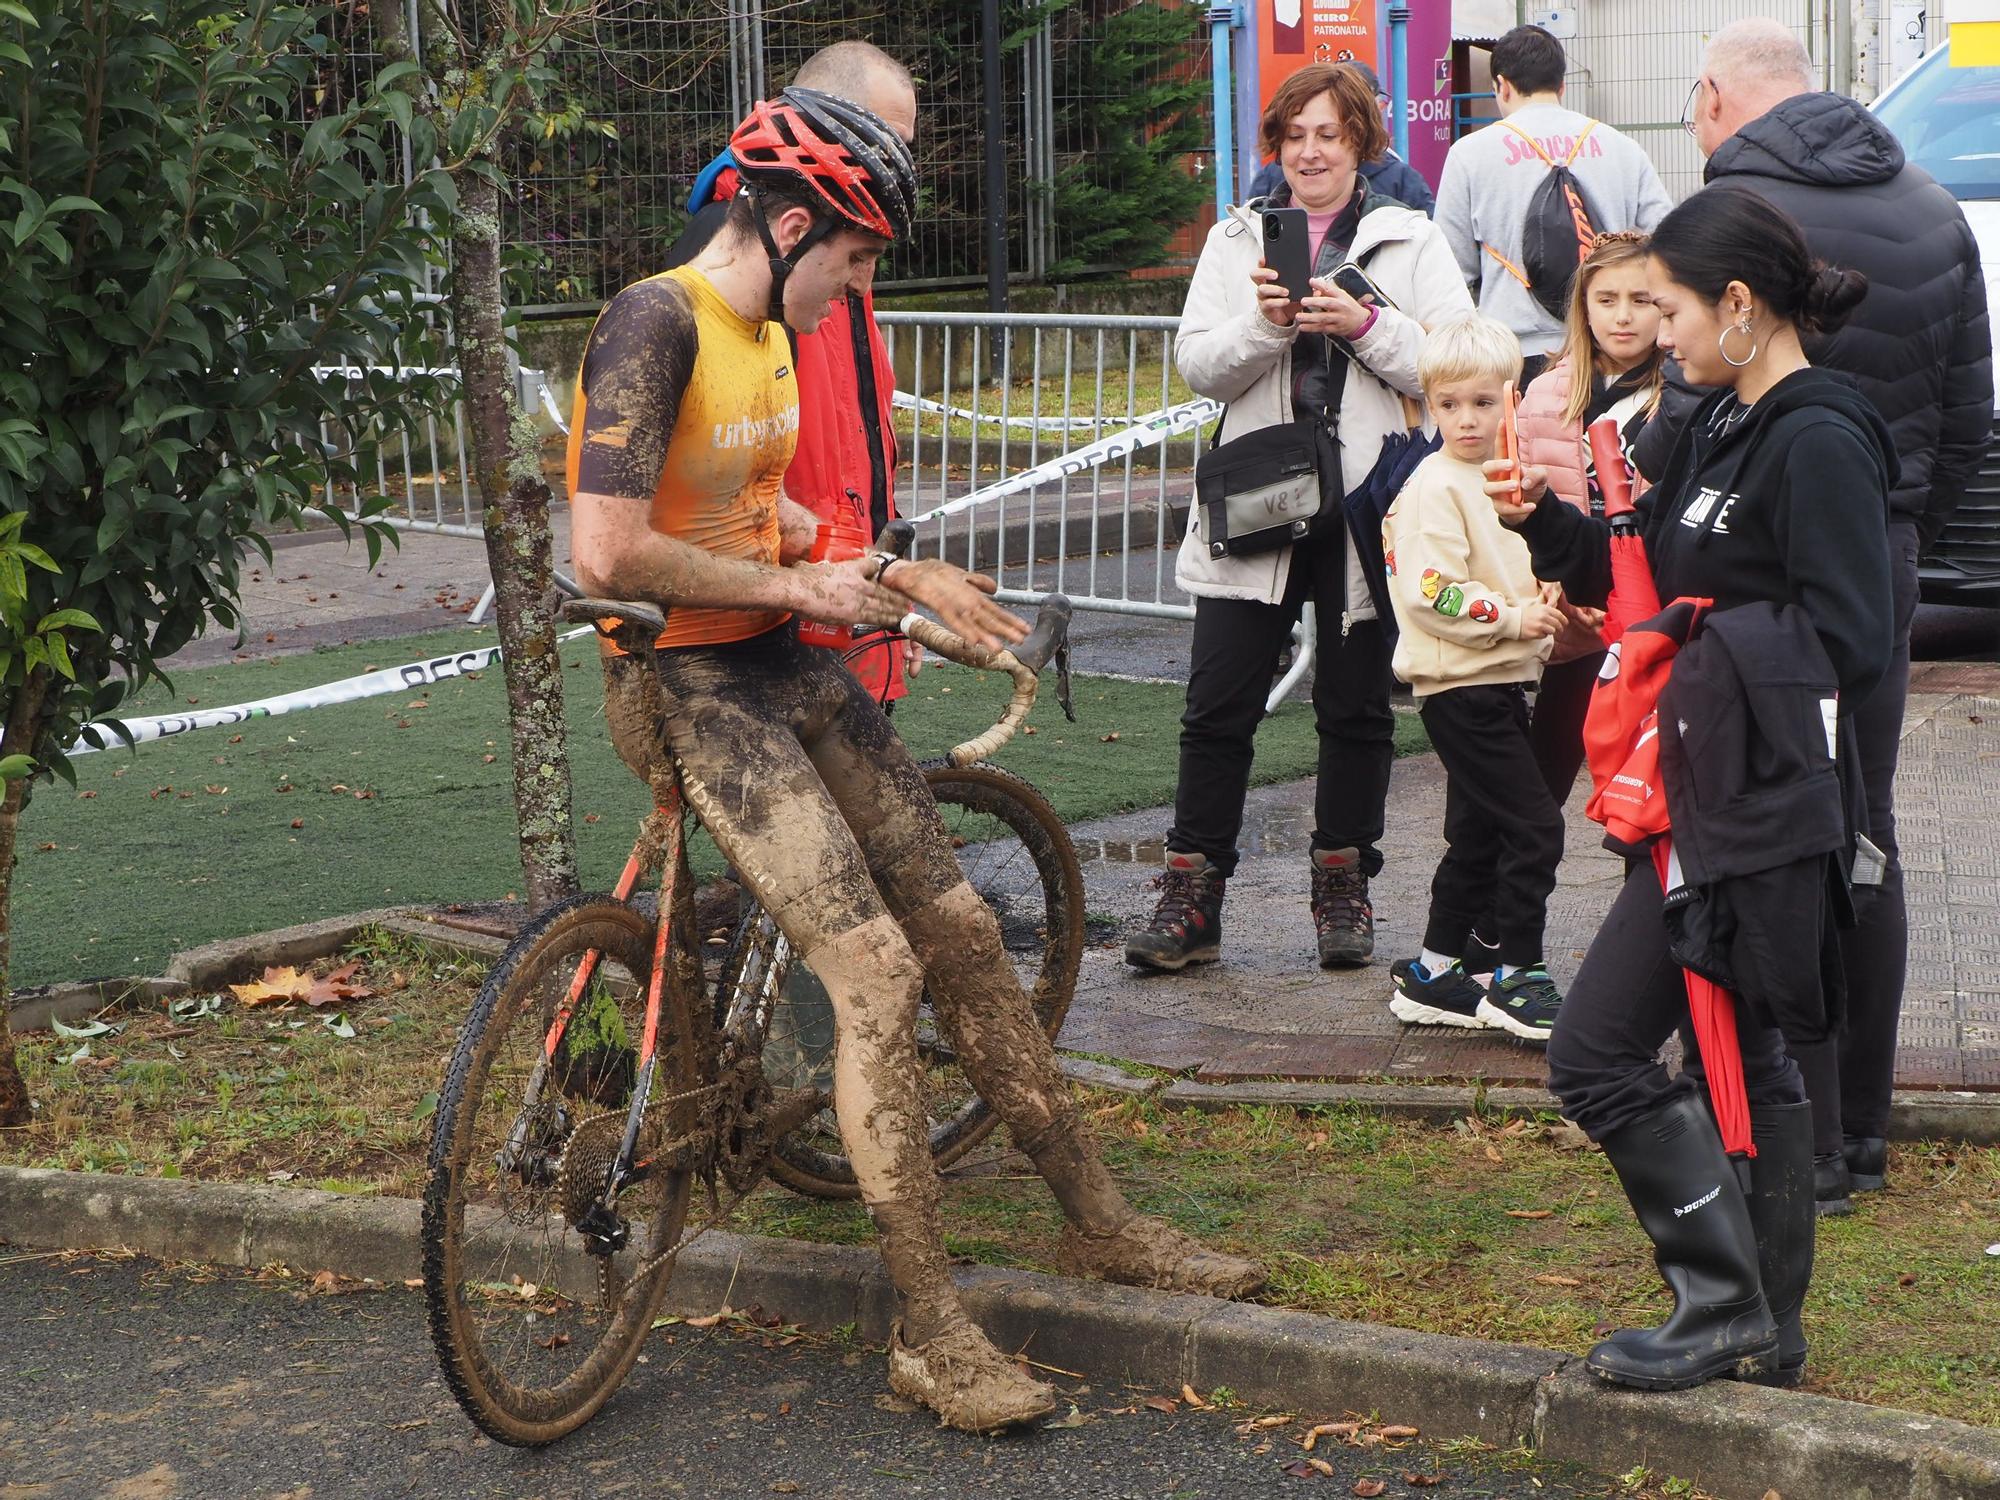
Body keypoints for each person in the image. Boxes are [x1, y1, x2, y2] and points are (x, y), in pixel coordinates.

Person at [567, 87, 1263, 1435]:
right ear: (781, 224)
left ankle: (1104, 1224)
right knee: (874, 971)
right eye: (855, 257)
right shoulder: (656, 321)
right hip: (685, 680)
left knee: (958, 933)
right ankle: (932, 1335)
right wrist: (812, 596)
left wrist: (881, 568)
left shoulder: (771, 326)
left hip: (782, 659)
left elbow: (762, 507)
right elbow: (604, 552)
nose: (859, 284)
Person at [1498, 185, 1892, 1391]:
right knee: (1748, 1054)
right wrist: (1552, 533)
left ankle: (1718, 1306)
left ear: (1735, 304)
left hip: (1746, 800)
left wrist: (1688, 644)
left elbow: (1852, 635)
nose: (1652, 332)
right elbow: (1661, 564)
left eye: (1666, 309)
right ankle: (1763, 1325)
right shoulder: (1717, 418)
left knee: (1594, 1055)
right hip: (1696, 782)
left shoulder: (1816, 431)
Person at [1654, 17, 1993, 1212]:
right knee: (1861, 827)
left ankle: (1765, 1119)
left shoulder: (1733, 203)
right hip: (1878, 561)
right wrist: (1896, 525)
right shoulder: (1925, 201)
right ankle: (1856, 1128)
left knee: (1744, 830)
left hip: (1744, 565)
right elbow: (1967, 412)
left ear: (1713, 98)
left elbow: (1680, 408)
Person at [1125, 62, 1472, 974]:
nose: (1311, 152)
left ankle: (1342, 888)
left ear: (1362, 142)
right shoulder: (1237, 238)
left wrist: (1364, 328)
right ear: (1274, 147)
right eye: (1295, 136)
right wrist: (1269, 326)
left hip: (1367, 504)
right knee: (1217, 704)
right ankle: (1193, 897)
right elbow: (1199, 364)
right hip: (1258, 495)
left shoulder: (1410, 241)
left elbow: (1455, 363)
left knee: (1355, 707)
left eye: (1330, 133)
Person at [667, 41, 919, 711]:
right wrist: (799, 585)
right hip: (775, 618)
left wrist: (886, 591)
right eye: (885, 139)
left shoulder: (836, 251)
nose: (897, 164)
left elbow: (862, 431)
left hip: (835, 597)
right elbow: (707, 472)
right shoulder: (744, 251)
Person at [1378, 316, 1568, 1042]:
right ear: (1428, 403)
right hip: (1463, 686)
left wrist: (1541, 593)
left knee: (1481, 834)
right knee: (1535, 826)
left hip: (1491, 680)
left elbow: (1505, 564)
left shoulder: (1496, 476)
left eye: (1483, 403)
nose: (1466, 419)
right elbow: (1431, 590)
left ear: (1510, 401)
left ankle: (1431, 974)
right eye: (1449, 404)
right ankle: (1517, 976)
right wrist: (1515, 618)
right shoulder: (1435, 485)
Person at [1511, 230, 1666, 803]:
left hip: (1650, 609)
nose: (1623, 317)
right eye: (1606, 300)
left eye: (1641, 299)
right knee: (1541, 779)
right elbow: (1521, 507)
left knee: (1648, 776)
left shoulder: (1683, 394)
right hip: (1569, 608)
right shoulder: (1546, 393)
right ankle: (1521, 885)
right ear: (1583, 307)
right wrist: (1550, 589)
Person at [1434, 24, 1673, 383]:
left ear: (1502, 85)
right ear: (1562, 85)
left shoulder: (1469, 155)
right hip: (1610, 353)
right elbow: (1666, 242)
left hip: (1511, 355)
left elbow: (1452, 272)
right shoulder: (1621, 147)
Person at [1245, 62, 1436, 215]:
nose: (1309, 153)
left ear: (1360, 137)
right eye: (1295, 136)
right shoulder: (1241, 229)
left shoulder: (1411, 230)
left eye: (1327, 136)